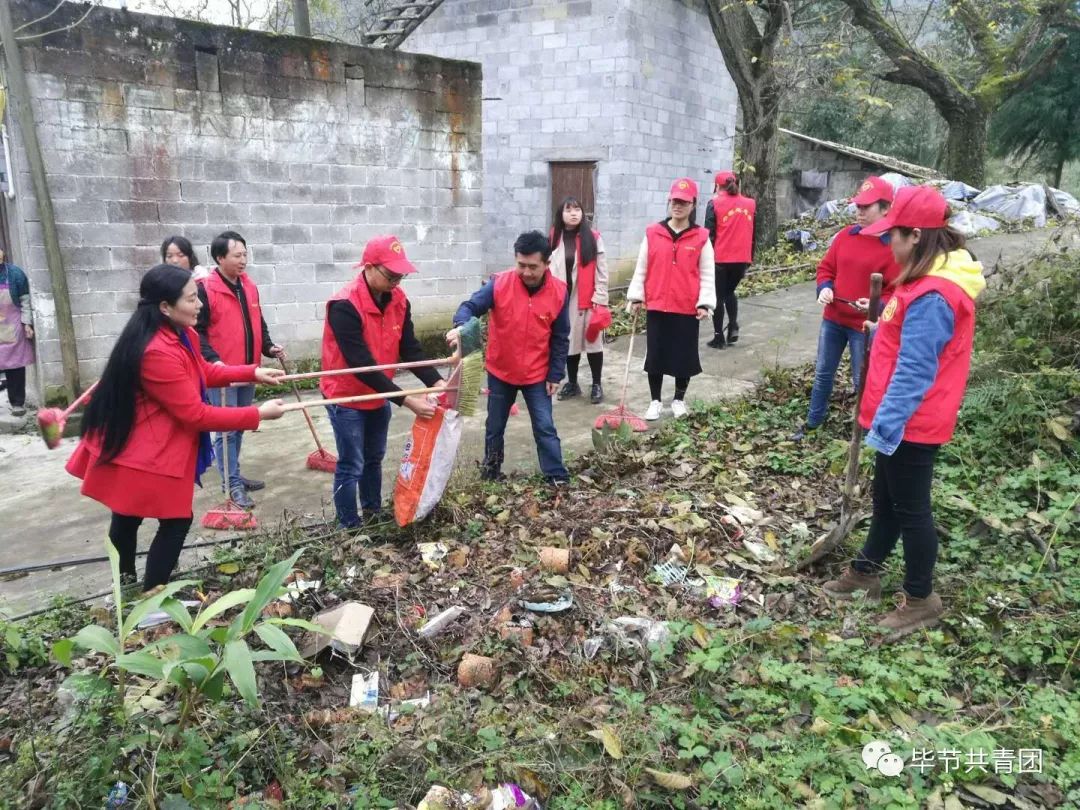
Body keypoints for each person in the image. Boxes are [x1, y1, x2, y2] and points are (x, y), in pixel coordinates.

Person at [822, 186, 985, 635]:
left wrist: (886, 427)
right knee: (887, 501)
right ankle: (866, 571)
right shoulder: (919, 283)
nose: (885, 244)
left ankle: (920, 597)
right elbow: (907, 341)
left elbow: (915, 370)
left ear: (914, 236)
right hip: (894, 416)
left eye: (890, 235)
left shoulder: (934, 295)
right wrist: (883, 325)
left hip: (910, 421)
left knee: (911, 508)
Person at [66, 264, 286, 591]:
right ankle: (148, 594)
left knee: (127, 519)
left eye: (197, 297)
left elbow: (202, 374)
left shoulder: (182, 333)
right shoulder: (155, 351)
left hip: (148, 444)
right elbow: (195, 414)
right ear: (165, 307)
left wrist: (252, 372)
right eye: (191, 299)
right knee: (170, 521)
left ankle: (126, 588)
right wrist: (256, 414)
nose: (199, 305)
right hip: (142, 451)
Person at [322, 236, 444, 530]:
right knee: (352, 464)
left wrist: (436, 381)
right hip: (347, 395)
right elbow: (363, 367)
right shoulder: (344, 305)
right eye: (391, 275)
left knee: (374, 458)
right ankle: (349, 527)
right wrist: (408, 401)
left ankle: (373, 516)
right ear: (369, 267)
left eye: (401, 276)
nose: (396, 282)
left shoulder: (399, 301)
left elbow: (410, 348)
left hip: (378, 394)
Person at [448, 230, 570, 484]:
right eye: (521, 265)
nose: (526, 272)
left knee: (545, 427)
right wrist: (461, 325)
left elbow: (560, 337)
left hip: (537, 374)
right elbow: (469, 307)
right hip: (500, 371)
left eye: (532, 267)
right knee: (494, 427)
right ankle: (491, 473)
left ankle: (556, 476)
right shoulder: (499, 283)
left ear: (547, 264)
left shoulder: (559, 292)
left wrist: (556, 373)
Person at [792, 176, 902, 440]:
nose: (859, 212)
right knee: (822, 374)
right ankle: (813, 422)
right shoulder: (845, 236)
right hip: (833, 319)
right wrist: (825, 288)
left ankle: (864, 432)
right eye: (858, 206)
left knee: (861, 380)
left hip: (863, 327)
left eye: (867, 207)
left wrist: (876, 305)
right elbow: (826, 268)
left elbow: (897, 292)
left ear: (886, 208)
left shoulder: (892, 247)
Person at [195, 230, 286, 509]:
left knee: (241, 425)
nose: (243, 260)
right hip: (221, 374)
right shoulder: (205, 289)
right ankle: (231, 484)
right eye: (237, 255)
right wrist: (213, 360)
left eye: (245, 254)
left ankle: (233, 474)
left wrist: (268, 347)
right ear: (220, 257)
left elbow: (259, 321)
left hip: (249, 371)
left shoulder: (249, 285)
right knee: (226, 430)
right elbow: (196, 332)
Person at [626, 178, 715, 421]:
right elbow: (641, 268)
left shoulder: (701, 237)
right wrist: (636, 297)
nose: (678, 206)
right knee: (655, 356)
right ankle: (655, 401)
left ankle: (678, 400)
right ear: (669, 201)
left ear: (693, 204)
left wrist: (705, 303)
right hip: (657, 305)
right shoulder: (653, 233)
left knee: (682, 357)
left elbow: (707, 273)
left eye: (684, 202)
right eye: (675, 201)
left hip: (686, 307)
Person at [548, 197, 609, 404]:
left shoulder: (593, 237)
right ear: (561, 214)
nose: (573, 213)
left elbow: (602, 270)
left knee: (593, 343)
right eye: (568, 210)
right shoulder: (554, 237)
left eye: (577, 209)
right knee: (569, 343)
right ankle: (572, 383)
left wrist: (600, 297)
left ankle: (597, 384)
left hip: (588, 298)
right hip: (564, 299)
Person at [703, 171, 755, 349]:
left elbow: (709, 235)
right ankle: (732, 326)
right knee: (728, 293)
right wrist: (750, 257)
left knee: (718, 296)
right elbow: (752, 233)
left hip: (721, 259)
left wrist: (704, 259)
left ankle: (719, 337)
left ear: (717, 186)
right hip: (742, 259)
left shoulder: (714, 204)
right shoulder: (750, 204)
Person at [0, 246, 34, 418]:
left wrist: (27, 323)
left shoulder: (14, 274)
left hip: (12, 325)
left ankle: (17, 403)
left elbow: (25, 301)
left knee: (15, 365)